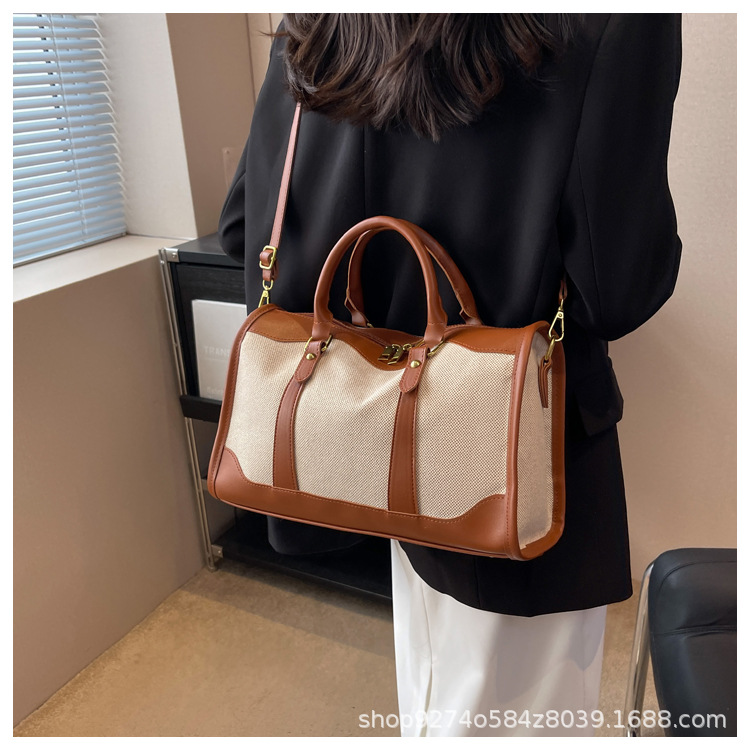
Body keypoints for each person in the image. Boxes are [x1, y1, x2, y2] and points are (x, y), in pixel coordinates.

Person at [218, 13, 682, 737]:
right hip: (504, 453)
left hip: (360, 443)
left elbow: (244, 229)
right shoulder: (612, 21)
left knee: (437, 694)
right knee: (516, 715)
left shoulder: (317, 23)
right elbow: (617, 288)